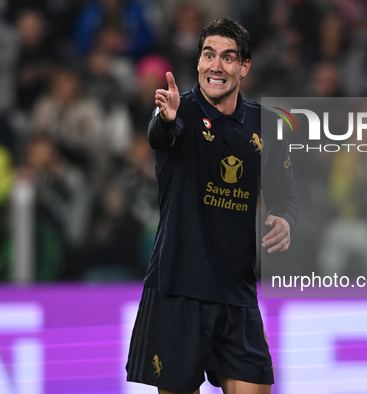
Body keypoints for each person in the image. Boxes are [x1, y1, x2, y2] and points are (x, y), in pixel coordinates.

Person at [126, 18, 297, 394]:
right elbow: (160, 134)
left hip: (237, 294)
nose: (216, 65)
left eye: (228, 57)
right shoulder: (177, 110)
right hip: (178, 290)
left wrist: (284, 218)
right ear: (199, 62)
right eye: (208, 55)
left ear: (244, 67)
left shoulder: (265, 125)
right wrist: (166, 118)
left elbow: (284, 196)